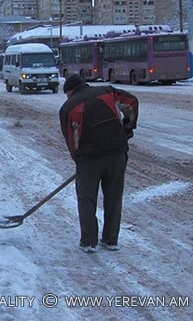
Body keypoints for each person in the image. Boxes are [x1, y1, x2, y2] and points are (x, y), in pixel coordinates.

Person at [59, 74, 138, 253]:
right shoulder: (108, 91)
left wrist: (79, 160)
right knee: (114, 197)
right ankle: (111, 240)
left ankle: (89, 242)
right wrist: (127, 126)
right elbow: (131, 102)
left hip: (90, 159)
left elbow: (72, 140)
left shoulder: (69, 107)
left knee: (87, 199)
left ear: (70, 91)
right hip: (117, 153)